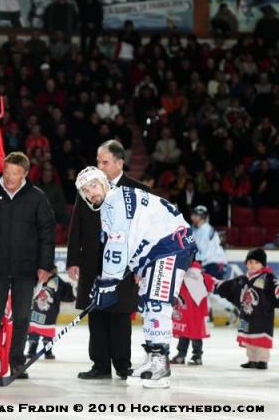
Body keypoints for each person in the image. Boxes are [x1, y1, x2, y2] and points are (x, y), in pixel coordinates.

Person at [76, 166, 197, 388]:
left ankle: (161, 364)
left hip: (170, 245)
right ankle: (153, 358)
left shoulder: (117, 200)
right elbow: (128, 242)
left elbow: (118, 244)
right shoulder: (111, 205)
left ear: (104, 181)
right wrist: (108, 281)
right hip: (156, 251)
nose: (91, 192)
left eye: (93, 185)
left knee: (156, 302)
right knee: (148, 303)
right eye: (85, 190)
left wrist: (108, 282)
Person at [0, 152, 56, 379]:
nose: (9, 178)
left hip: (25, 270)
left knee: (22, 317)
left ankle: (17, 363)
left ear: (25, 174)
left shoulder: (37, 197)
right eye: (7, 172)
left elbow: (47, 234)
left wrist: (45, 265)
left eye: (15, 174)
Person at [68, 140, 148, 380]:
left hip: (124, 267)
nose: (99, 166)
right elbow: (76, 227)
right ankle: (100, 365)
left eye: (104, 162)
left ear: (119, 163)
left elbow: (144, 231)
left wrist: (142, 264)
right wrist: (73, 259)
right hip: (93, 264)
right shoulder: (86, 187)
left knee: (120, 316)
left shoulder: (137, 190)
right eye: (97, 161)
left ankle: (123, 365)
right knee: (97, 316)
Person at [209, 248, 278, 370]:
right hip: (246, 315)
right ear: (246, 263)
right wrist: (213, 283)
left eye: (256, 262)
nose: (252, 265)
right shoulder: (242, 279)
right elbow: (228, 286)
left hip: (263, 315)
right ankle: (252, 360)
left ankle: (262, 360)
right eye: (250, 262)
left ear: (262, 265)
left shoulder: (268, 277)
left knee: (261, 340)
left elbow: (276, 289)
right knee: (248, 339)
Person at [26, 266, 74, 360]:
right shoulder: (36, 277)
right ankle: (32, 350)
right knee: (33, 331)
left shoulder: (57, 281)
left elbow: (67, 293)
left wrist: (70, 290)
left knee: (48, 333)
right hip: (36, 311)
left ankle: (48, 351)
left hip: (50, 314)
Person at [171, 261, 212, 366]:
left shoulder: (184, 277)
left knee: (190, 334)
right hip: (191, 313)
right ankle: (192, 356)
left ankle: (188, 355)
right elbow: (213, 284)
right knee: (189, 334)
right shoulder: (201, 278)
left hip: (191, 313)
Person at [190, 205, 228, 279]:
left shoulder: (206, 230)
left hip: (215, 263)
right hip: (208, 263)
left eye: (195, 215)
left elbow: (202, 252)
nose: (192, 218)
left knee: (210, 288)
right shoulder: (196, 229)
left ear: (201, 217)